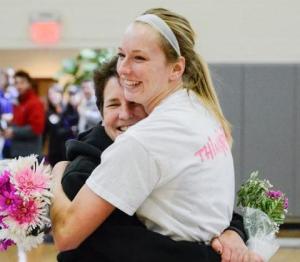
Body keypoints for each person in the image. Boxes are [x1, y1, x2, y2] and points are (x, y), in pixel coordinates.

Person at [51, 8, 263, 262]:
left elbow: (66, 234)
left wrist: (55, 174)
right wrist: (232, 231)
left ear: (176, 69)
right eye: (121, 55)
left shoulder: (143, 141)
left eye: (139, 58)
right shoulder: (200, 107)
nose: (124, 69)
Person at [2, 70, 45, 158]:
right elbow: (20, 122)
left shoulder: (35, 102)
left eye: (22, 82)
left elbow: (36, 128)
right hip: (18, 153)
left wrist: (13, 131)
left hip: (30, 156)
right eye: (16, 83)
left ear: (29, 84)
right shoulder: (18, 102)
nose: (19, 86)